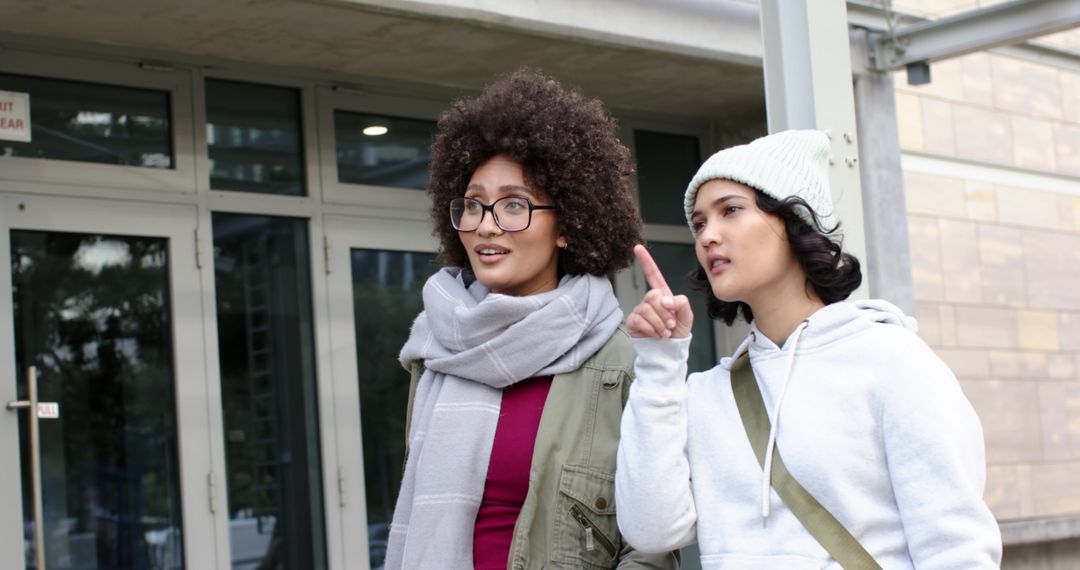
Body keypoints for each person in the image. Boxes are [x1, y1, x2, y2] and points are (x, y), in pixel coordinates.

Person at [615, 130, 1002, 568]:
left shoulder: (892, 361)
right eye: (700, 223)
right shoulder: (706, 394)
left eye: (731, 211)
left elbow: (957, 550)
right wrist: (660, 363)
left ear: (794, 221)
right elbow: (652, 530)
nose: (707, 237)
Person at [386, 68, 679, 570]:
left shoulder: (620, 363)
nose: (486, 226)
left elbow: (651, 549)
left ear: (567, 225)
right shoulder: (436, 350)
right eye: (473, 205)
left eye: (514, 205)